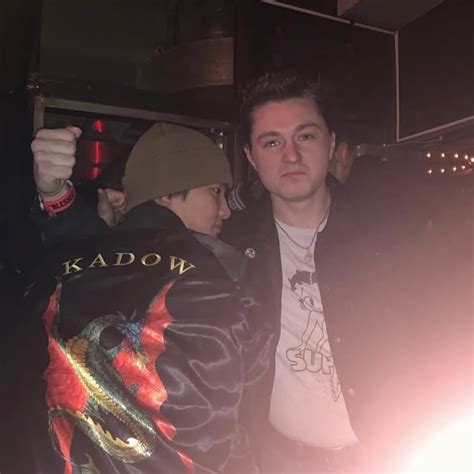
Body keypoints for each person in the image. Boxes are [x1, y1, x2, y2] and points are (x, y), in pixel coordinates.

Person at [28, 72, 472, 473]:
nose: (291, 155)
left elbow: (446, 338)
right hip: (273, 459)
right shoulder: (229, 247)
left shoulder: (396, 235)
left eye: (306, 136)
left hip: (392, 453)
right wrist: (57, 195)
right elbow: (122, 264)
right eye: (272, 142)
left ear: (331, 142)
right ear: (252, 156)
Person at [1, 122, 271, 474]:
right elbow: (247, 414)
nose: (226, 210)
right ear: (167, 194)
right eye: (215, 191)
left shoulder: (61, 267)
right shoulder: (228, 275)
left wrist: (58, 197)